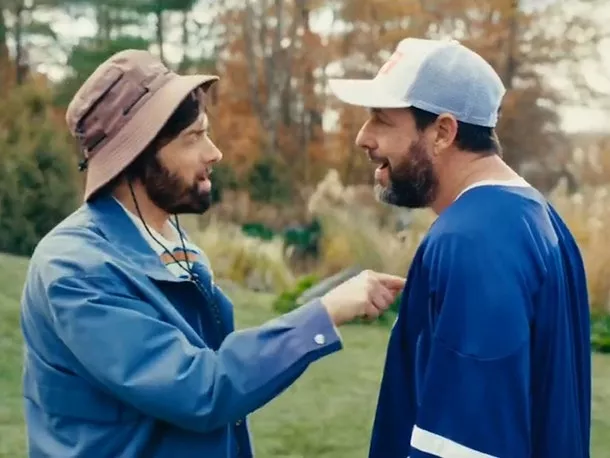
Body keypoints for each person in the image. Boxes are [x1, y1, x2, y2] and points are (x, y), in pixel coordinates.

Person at [19, 50, 405, 458]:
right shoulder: (77, 268)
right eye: (193, 137)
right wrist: (325, 312)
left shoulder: (170, 243)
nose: (214, 152)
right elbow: (201, 389)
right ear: (139, 154)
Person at [329, 37, 591, 458]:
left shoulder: (471, 242)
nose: (363, 137)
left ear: (443, 132)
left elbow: (464, 446)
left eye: (381, 119)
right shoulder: (539, 220)